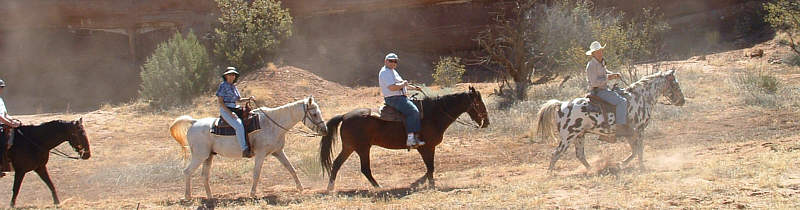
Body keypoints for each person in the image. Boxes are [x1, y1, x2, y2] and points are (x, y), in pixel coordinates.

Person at [585, 41, 634, 137]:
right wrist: (608, 78)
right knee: (622, 102)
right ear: (593, 54)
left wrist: (613, 74)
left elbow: (604, 72)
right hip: (598, 91)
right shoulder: (591, 66)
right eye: (598, 52)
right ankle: (620, 128)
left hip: (604, 89)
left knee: (624, 94)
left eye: (600, 51)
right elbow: (594, 82)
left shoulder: (600, 62)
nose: (600, 53)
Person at [378, 53, 425, 147]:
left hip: (400, 97)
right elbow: (392, 87)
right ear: (385, 61)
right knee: (413, 111)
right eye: (391, 61)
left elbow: (403, 85)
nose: (393, 63)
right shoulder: (385, 72)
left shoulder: (393, 71)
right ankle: (411, 139)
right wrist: (403, 84)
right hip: (394, 98)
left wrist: (414, 88)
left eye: (395, 61)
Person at [216, 67, 256, 158]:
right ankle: (244, 149)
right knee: (238, 125)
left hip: (235, 107)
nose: (232, 76)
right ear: (226, 76)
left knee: (251, 117)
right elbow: (220, 102)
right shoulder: (223, 85)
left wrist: (249, 98)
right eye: (230, 74)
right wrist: (230, 113)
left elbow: (239, 99)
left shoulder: (233, 86)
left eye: (233, 75)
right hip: (226, 109)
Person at [0, 79, 22, 177]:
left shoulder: (0, 100)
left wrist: (13, 120)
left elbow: (5, 114)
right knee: (2, 142)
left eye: (2, 87)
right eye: (0, 87)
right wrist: (11, 124)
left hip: (3, 125)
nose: (1, 89)